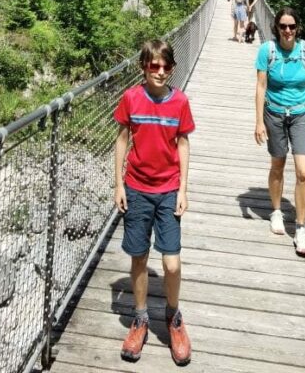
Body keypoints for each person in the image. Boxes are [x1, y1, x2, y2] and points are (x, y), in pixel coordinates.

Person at [114, 40, 195, 365]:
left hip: (168, 189)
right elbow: (121, 139)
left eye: (165, 66)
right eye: (153, 66)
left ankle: (173, 316)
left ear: (172, 68)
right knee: (139, 257)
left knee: (171, 263)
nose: (159, 72)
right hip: (136, 188)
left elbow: (183, 143)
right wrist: (118, 183)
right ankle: (141, 317)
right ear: (144, 68)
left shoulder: (180, 102)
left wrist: (184, 188)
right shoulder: (131, 98)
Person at [254, 8, 305, 257]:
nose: (288, 31)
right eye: (283, 26)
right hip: (274, 114)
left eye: (292, 26)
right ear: (276, 28)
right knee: (278, 165)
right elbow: (261, 86)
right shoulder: (267, 51)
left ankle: (300, 228)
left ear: (297, 28)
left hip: (301, 114)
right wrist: (259, 121)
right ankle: (277, 211)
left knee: (303, 171)